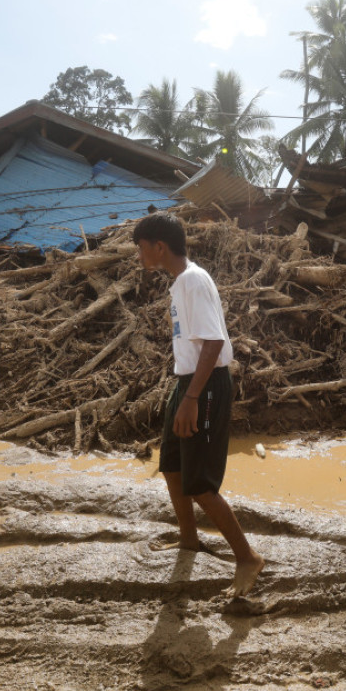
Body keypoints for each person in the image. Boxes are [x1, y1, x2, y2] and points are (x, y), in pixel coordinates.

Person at [132, 211, 265, 598]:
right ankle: (189, 539)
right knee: (172, 465)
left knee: (201, 484)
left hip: (204, 387)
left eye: (141, 248)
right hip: (188, 383)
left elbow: (214, 341)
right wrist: (185, 391)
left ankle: (247, 558)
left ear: (159, 246)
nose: (139, 255)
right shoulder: (181, 283)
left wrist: (192, 398)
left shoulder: (192, 280)